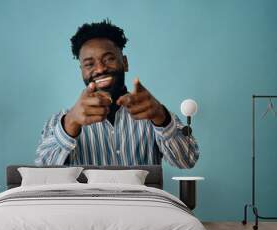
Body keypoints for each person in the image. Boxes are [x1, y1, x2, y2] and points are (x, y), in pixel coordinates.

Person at [35, 19, 199, 168]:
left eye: (108, 59)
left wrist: (162, 119)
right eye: (89, 64)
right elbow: (42, 173)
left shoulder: (152, 112)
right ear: (82, 71)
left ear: (125, 63)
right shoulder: (60, 121)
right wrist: (70, 123)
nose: (100, 69)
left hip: (141, 202)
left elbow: (188, 160)